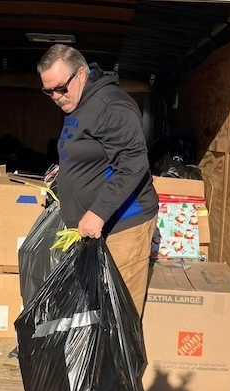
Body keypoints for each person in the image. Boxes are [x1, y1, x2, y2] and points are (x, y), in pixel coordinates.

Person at [37, 44, 158, 316]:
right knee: (98, 309)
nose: (56, 97)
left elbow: (133, 163)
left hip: (124, 224)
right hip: (96, 228)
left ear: (81, 74)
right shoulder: (79, 103)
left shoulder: (111, 106)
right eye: (49, 91)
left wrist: (98, 212)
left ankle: (121, 361)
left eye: (60, 88)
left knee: (119, 314)